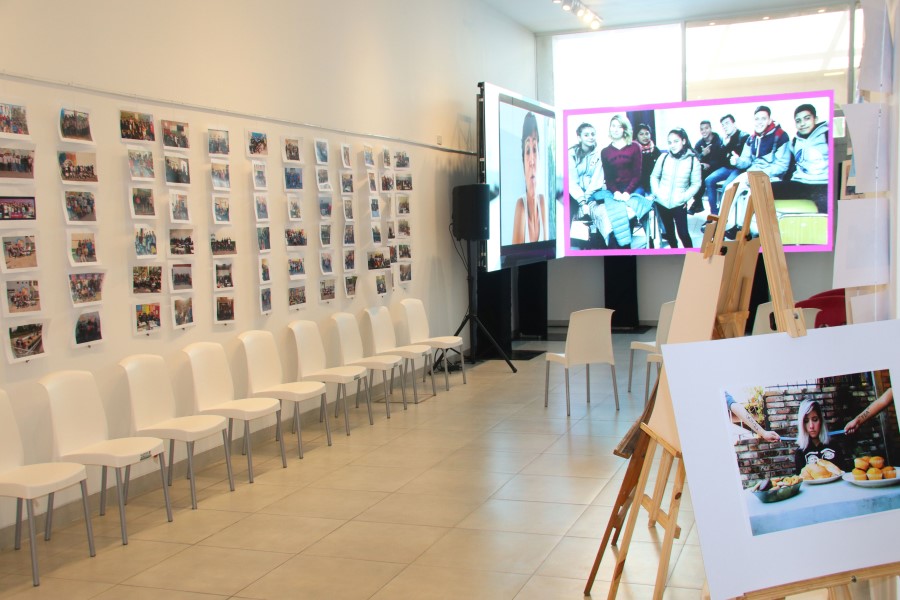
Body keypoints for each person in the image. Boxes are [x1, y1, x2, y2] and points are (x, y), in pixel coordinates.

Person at [725, 106, 791, 238]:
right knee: (730, 189)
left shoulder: (781, 136)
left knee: (750, 195)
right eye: (756, 119)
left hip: (771, 176)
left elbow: (782, 166)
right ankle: (728, 226)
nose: (759, 122)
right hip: (751, 174)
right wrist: (737, 161)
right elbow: (746, 160)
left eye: (763, 118)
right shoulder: (752, 138)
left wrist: (759, 174)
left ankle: (746, 230)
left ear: (769, 120)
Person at [589, 114, 652, 249]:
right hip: (615, 189)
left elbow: (637, 174)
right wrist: (616, 192)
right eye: (613, 126)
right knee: (613, 213)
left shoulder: (635, 146)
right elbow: (609, 178)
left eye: (619, 126)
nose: (616, 129)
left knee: (626, 211)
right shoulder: (605, 152)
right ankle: (616, 247)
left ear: (625, 129)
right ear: (610, 128)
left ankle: (624, 247)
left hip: (634, 188)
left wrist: (627, 192)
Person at [770, 103, 829, 213]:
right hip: (801, 183)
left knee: (827, 203)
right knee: (764, 190)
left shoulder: (827, 135)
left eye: (807, 119)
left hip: (821, 184)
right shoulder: (795, 141)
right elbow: (792, 167)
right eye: (798, 121)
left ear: (815, 119)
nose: (802, 124)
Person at [649, 128, 700, 249]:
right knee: (670, 234)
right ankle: (674, 256)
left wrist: (684, 197)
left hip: (679, 204)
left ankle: (692, 260)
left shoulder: (693, 161)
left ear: (683, 140)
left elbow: (696, 184)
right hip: (662, 202)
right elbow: (654, 177)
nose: (672, 145)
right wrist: (657, 192)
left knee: (683, 234)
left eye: (676, 141)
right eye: (670, 142)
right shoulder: (663, 158)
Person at [512, 111, 547, 244]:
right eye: (527, 151)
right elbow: (513, 260)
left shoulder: (543, 202)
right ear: (523, 161)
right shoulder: (521, 206)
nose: (532, 160)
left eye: (535, 148)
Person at [702, 114, 748, 216]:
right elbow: (721, 159)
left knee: (726, 187)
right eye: (723, 125)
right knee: (708, 180)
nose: (725, 126)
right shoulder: (724, 139)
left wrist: (728, 147)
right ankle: (714, 213)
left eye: (727, 123)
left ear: (734, 123)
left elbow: (742, 157)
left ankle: (724, 215)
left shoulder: (744, 136)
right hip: (727, 168)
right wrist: (724, 146)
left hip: (739, 169)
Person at [794, 399, 844, 473]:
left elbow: (842, 473)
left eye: (815, 419)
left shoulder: (834, 446)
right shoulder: (800, 453)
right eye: (806, 421)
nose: (811, 426)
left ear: (820, 421)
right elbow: (802, 481)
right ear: (802, 424)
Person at [568, 122, 605, 218]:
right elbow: (571, 181)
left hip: (592, 193)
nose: (591, 137)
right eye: (586, 135)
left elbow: (597, 180)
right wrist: (582, 201)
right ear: (579, 138)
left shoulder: (600, 154)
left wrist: (587, 198)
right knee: (568, 205)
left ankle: (600, 233)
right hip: (574, 194)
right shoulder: (571, 154)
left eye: (593, 134)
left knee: (602, 208)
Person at [688, 120, 726, 214]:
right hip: (703, 169)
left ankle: (697, 203)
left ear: (711, 129)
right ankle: (697, 202)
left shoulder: (719, 140)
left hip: (718, 168)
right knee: (694, 173)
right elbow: (695, 159)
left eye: (706, 128)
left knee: (702, 175)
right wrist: (703, 154)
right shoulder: (699, 143)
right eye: (701, 129)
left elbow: (722, 159)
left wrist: (709, 164)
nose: (704, 131)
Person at [634, 123, 661, 196]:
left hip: (654, 184)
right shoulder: (633, 150)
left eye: (647, 133)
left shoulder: (655, 150)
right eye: (641, 134)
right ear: (636, 136)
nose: (645, 136)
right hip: (638, 185)